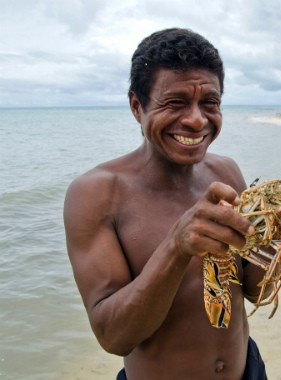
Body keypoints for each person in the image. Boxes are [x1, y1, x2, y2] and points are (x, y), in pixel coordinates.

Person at [64, 28, 269, 380]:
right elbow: (113, 336)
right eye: (175, 102)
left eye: (210, 103)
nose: (196, 120)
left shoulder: (227, 171)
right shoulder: (96, 194)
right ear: (136, 106)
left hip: (247, 370)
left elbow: (253, 290)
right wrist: (177, 246)